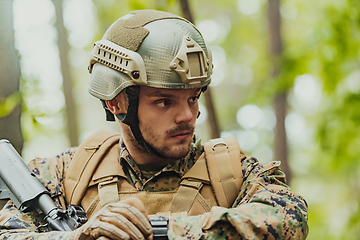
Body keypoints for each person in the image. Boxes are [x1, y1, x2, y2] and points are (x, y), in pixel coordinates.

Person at [0, 9, 308, 240]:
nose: (187, 115)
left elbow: (289, 219)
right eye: (164, 101)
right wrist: (79, 235)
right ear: (116, 103)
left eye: (193, 98)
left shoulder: (232, 173)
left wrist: (160, 230)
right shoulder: (64, 175)